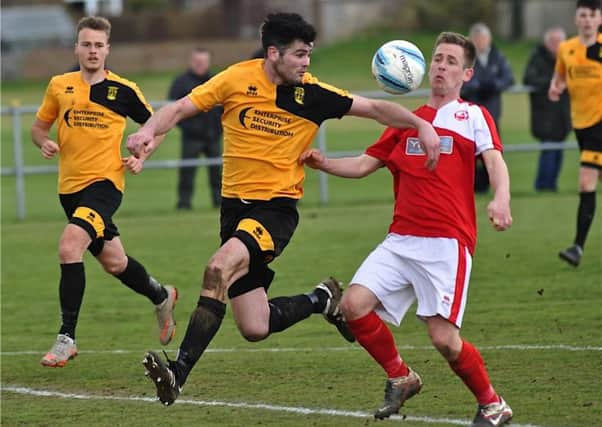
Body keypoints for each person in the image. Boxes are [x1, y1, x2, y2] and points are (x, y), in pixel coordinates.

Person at [126, 12, 440, 406]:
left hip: (275, 212)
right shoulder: (236, 79)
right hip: (234, 214)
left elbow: (376, 109)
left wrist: (420, 125)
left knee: (217, 269)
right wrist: (147, 131)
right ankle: (321, 300)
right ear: (273, 53)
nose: (306, 63)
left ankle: (178, 373)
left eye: (308, 54)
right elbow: (179, 108)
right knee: (255, 326)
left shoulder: (314, 95)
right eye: (298, 55)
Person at [301, 31, 513, 426]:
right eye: (437, 59)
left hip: (447, 243)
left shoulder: (474, 116)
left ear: (466, 73)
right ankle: (401, 376)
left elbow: (495, 161)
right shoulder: (407, 121)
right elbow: (366, 164)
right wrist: (324, 163)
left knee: (444, 340)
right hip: (401, 240)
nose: (441, 67)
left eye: (451, 61)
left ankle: (493, 403)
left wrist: (501, 198)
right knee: (352, 307)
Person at [30, 16, 177, 368]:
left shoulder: (124, 90)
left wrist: (142, 154)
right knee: (115, 263)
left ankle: (67, 337)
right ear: (76, 48)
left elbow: (158, 127)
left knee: (69, 246)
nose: (93, 51)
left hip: (105, 185)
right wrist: (44, 143)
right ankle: (161, 295)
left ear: (108, 49)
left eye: (99, 45)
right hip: (69, 190)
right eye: (87, 44)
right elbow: (38, 128)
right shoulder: (59, 85)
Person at [549, 0, 602, 267]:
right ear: (576, 19)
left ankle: (577, 247)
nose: (588, 20)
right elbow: (560, 76)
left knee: (586, 182)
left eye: (593, 15)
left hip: (599, 126)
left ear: (600, 19)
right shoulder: (566, 49)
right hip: (580, 126)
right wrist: (555, 87)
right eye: (583, 15)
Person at [461, 22, 514, 193]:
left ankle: (491, 185)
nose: (480, 42)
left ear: (489, 40)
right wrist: (475, 86)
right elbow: (458, 82)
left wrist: (493, 85)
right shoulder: (465, 59)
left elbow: (508, 78)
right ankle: (470, 186)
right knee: (467, 151)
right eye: (476, 39)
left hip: (491, 113)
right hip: (468, 114)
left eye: (483, 39)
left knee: (491, 151)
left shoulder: (498, 57)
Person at [169, 48, 223, 210]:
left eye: (203, 62)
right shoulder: (181, 82)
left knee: (217, 172)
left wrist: (219, 126)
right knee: (187, 172)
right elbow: (171, 108)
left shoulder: (217, 81)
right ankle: (184, 204)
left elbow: (227, 107)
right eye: (197, 62)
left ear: (209, 62)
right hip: (191, 137)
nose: (200, 65)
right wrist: (187, 127)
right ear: (191, 62)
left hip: (214, 135)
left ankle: (219, 203)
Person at [524, 27, 571, 192]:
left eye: (559, 41)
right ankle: (543, 185)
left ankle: (552, 185)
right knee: (549, 149)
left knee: (558, 150)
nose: (556, 45)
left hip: (563, 112)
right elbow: (529, 78)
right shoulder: (537, 57)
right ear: (546, 43)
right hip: (544, 112)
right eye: (553, 41)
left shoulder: (569, 58)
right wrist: (554, 82)